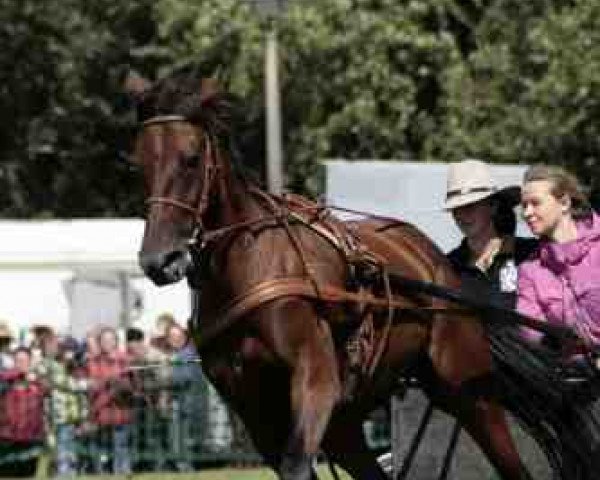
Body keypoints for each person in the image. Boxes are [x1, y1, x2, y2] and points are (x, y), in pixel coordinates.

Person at [516, 164, 600, 348]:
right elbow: (530, 333)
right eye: (524, 205)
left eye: (535, 203)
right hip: (568, 372)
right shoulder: (529, 270)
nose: (527, 213)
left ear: (564, 203)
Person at [444, 159, 538, 308]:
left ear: (493, 206)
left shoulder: (531, 254)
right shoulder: (448, 266)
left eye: (470, 206)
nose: (462, 215)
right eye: (456, 208)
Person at [86, 327, 132, 474]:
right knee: (101, 447)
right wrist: (110, 379)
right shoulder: (94, 360)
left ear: (116, 342)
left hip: (120, 410)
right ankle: (102, 473)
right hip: (101, 411)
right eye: (104, 340)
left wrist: (121, 383)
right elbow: (93, 384)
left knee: (121, 445)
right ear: (100, 343)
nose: (108, 343)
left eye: (111, 339)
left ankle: (123, 472)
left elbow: (131, 385)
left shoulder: (125, 359)